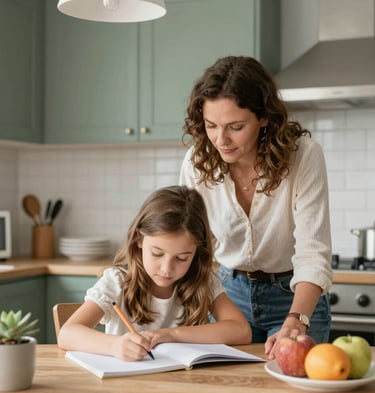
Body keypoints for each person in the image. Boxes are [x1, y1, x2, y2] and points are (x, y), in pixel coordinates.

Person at [179, 56, 332, 359]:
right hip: (227, 297)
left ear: (264, 118)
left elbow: (312, 251)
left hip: (293, 297)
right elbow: (190, 242)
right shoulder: (197, 163)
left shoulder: (303, 157)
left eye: (236, 127)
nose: (220, 140)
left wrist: (297, 319)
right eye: (211, 125)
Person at [57, 185, 251, 361]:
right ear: (139, 240)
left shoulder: (203, 281)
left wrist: (172, 334)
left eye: (182, 258)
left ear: (197, 252)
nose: (167, 268)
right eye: (157, 253)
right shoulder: (117, 281)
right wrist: (114, 346)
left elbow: (241, 330)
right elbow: (67, 334)